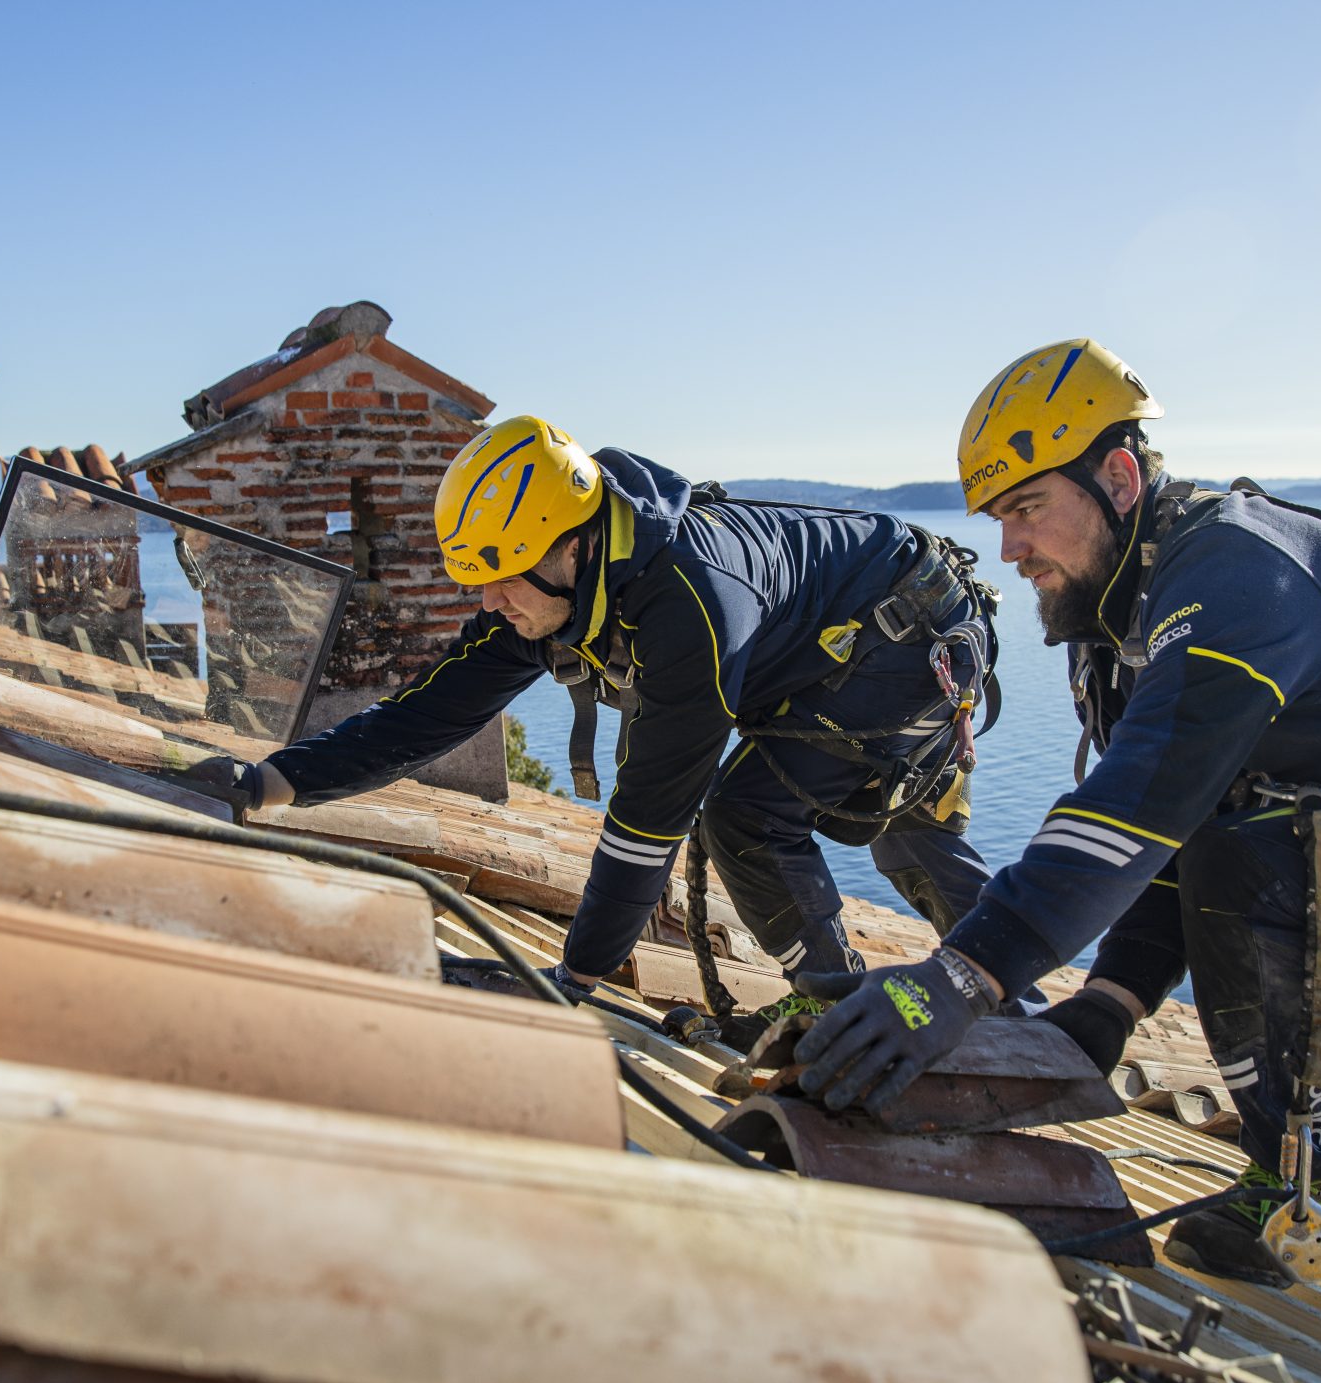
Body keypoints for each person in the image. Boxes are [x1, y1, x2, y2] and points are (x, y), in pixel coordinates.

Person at [793, 339, 1321, 1326]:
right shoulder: (1122, 628)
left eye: (1026, 508)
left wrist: (959, 976)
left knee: (1259, 867)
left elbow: (1139, 814)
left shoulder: (1233, 575)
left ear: (1117, 477)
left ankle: (1304, 1185)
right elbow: (1171, 835)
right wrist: (1106, 1010)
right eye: (997, 519)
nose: (1008, 549)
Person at [182, 414, 1010, 1004]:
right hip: (813, 639)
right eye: (478, 578)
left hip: (907, 630)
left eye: (503, 574)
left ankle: (852, 1001)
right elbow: (426, 717)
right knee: (862, 812)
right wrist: (269, 782)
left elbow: (649, 819)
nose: (489, 598)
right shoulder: (542, 585)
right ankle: (966, 979)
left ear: (573, 543)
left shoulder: (689, 603)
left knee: (753, 816)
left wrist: (572, 980)